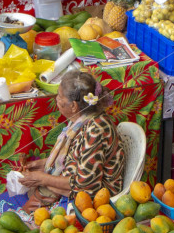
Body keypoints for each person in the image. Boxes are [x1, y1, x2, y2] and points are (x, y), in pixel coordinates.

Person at [18, 70, 125, 207]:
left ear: (74, 106)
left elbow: (84, 184)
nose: (56, 98)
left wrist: (43, 179)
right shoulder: (81, 119)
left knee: (12, 208)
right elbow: (72, 159)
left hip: (94, 198)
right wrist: (41, 165)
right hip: (76, 184)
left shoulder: (96, 130)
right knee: (9, 201)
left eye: (60, 96)